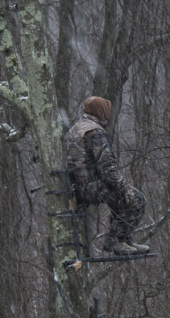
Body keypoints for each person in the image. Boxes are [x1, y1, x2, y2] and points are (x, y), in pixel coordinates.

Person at [63, 96, 149, 255]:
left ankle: (123, 240)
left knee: (121, 199)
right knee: (136, 199)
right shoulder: (94, 132)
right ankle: (116, 241)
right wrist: (122, 187)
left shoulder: (77, 128)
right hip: (90, 187)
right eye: (106, 110)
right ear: (100, 111)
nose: (108, 114)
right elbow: (107, 166)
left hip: (78, 186)